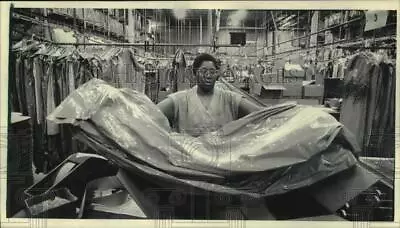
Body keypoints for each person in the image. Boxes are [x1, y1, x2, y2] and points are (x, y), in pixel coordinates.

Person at [157, 53, 261, 137]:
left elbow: (261, 114)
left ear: (217, 74)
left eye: (212, 72)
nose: (208, 76)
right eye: (203, 71)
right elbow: (151, 114)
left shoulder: (229, 99)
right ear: (194, 73)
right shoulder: (180, 100)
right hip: (190, 158)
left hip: (223, 157)